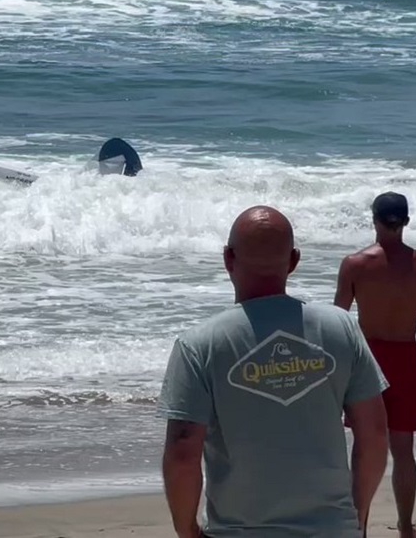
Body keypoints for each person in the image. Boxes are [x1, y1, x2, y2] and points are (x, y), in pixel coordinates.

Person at [159, 205, 389, 537]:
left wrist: (186, 531)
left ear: (228, 259)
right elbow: (375, 433)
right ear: (294, 261)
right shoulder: (340, 329)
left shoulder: (200, 344)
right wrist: (357, 514)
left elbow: (183, 450)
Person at [334, 191, 416, 538]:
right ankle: (405, 527)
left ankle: (360, 526)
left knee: (365, 449)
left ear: (373, 220)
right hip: (405, 363)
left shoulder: (356, 265)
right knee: (403, 451)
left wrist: (335, 374)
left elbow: (337, 323)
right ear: (407, 222)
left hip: (365, 362)